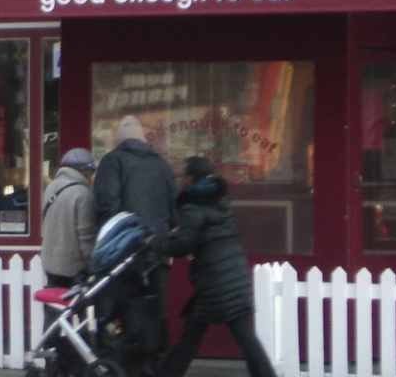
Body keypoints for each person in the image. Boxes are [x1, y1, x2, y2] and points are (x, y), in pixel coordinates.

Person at [155, 157, 277, 377]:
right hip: (228, 271)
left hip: (218, 279)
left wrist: (156, 243)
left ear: (190, 178)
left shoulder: (194, 206)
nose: (179, 179)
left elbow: (183, 245)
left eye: (182, 175)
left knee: (241, 335)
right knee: (195, 335)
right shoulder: (218, 199)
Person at [94, 114, 179, 331]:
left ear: (119, 141)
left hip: (125, 255)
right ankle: (152, 352)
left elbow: (108, 208)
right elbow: (175, 213)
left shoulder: (113, 161)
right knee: (154, 317)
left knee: (121, 317)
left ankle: (124, 350)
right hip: (158, 254)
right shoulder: (162, 166)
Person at [40, 147, 98, 287]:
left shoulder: (51, 187)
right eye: (91, 171)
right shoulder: (83, 194)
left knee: (54, 299)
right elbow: (86, 236)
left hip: (50, 263)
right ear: (83, 169)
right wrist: (94, 264)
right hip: (72, 268)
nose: (92, 175)